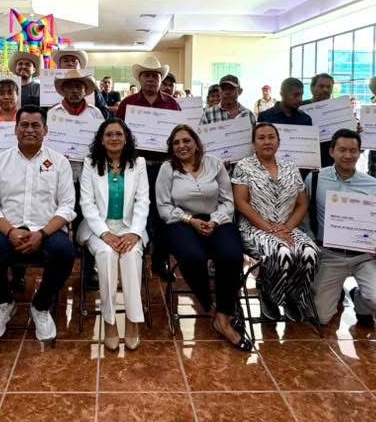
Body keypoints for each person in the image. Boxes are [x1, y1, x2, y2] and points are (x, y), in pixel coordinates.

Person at [0, 105, 76, 341]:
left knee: (65, 253)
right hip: (8, 229)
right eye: (24, 125)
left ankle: (41, 305)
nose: (29, 130)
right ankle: (4, 303)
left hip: (47, 230)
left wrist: (42, 233)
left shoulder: (60, 162)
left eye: (35, 125)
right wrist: (10, 232)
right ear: (15, 129)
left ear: (45, 130)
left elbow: (67, 206)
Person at [156, 125, 250, 351]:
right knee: (192, 257)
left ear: (196, 143)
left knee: (231, 255)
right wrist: (191, 220)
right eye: (176, 143)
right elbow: (164, 207)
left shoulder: (214, 163)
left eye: (186, 141)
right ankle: (209, 306)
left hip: (216, 218)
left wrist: (215, 221)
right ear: (171, 147)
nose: (182, 146)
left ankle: (224, 315)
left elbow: (227, 201)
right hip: (181, 221)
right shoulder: (167, 168)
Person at [307, 129, 376, 328]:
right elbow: (305, 215)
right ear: (331, 151)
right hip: (329, 255)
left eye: (353, 150)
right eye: (342, 150)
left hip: (365, 255)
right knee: (320, 317)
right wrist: (311, 242)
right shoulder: (315, 179)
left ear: (360, 152)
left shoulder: (374, 185)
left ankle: (360, 300)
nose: (348, 155)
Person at [232, 123, 319, 321]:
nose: (267, 141)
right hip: (254, 228)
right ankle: (270, 295)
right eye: (261, 138)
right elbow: (241, 203)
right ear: (253, 143)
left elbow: (302, 203)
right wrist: (270, 229)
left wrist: (286, 228)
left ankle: (293, 297)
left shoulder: (291, 167)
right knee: (282, 252)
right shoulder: (243, 167)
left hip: (287, 228)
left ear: (278, 142)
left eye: (271, 137)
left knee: (310, 252)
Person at [78, 119, 148, 351]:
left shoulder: (138, 163)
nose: (114, 138)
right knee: (107, 255)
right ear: (101, 139)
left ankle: (132, 320)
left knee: (131, 255)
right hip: (98, 227)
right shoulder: (90, 163)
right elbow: (86, 203)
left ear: (126, 138)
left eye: (119, 134)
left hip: (130, 227)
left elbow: (143, 202)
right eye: (109, 134)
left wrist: (135, 233)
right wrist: (104, 233)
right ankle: (109, 322)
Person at [117, 56, 182, 281]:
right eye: (147, 75)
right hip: (137, 166)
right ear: (140, 78)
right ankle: (137, 257)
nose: (151, 79)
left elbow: (179, 136)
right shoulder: (127, 104)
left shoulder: (172, 104)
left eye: (155, 75)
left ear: (160, 79)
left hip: (164, 167)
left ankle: (160, 260)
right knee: (137, 212)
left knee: (162, 214)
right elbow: (119, 134)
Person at [48, 70, 106, 177]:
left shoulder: (95, 113)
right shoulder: (53, 113)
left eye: (78, 87)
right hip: (59, 169)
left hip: (88, 169)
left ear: (85, 90)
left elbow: (103, 140)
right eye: (70, 87)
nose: (74, 90)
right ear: (63, 90)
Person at [304, 73, 337, 168]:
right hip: (305, 161)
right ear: (312, 88)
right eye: (321, 86)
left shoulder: (339, 109)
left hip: (330, 163)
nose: (325, 90)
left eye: (328, 87)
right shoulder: (300, 107)